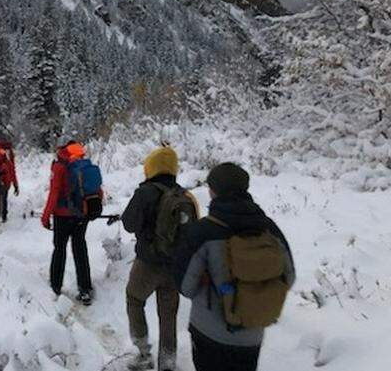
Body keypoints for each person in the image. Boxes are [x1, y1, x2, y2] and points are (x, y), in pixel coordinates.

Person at [173, 163, 296, 371]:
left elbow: (185, 287)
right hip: (251, 334)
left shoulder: (203, 231)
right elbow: (288, 277)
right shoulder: (269, 228)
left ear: (213, 191)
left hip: (208, 333)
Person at [121, 144, 201, 371]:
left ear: (151, 167)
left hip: (147, 264)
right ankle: (167, 363)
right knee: (168, 315)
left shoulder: (145, 192)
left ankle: (143, 353)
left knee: (135, 300)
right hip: (175, 267)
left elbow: (129, 224)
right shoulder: (184, 195)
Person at [41, 140, 101, 305]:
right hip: (81, 214)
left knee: (60, 249)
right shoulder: (84, 165)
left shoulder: (60, 166)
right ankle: (85, 288)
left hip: (62, 216)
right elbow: (97, 190)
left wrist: (45, 217)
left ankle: (55, 285)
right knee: (80, 248)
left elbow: (54, 194)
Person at [0, 139, 19, 222]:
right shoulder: (9, 155)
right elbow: (12, 170)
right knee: (4, 198)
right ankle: (4, 216)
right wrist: (15, 185)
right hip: (6, 182)